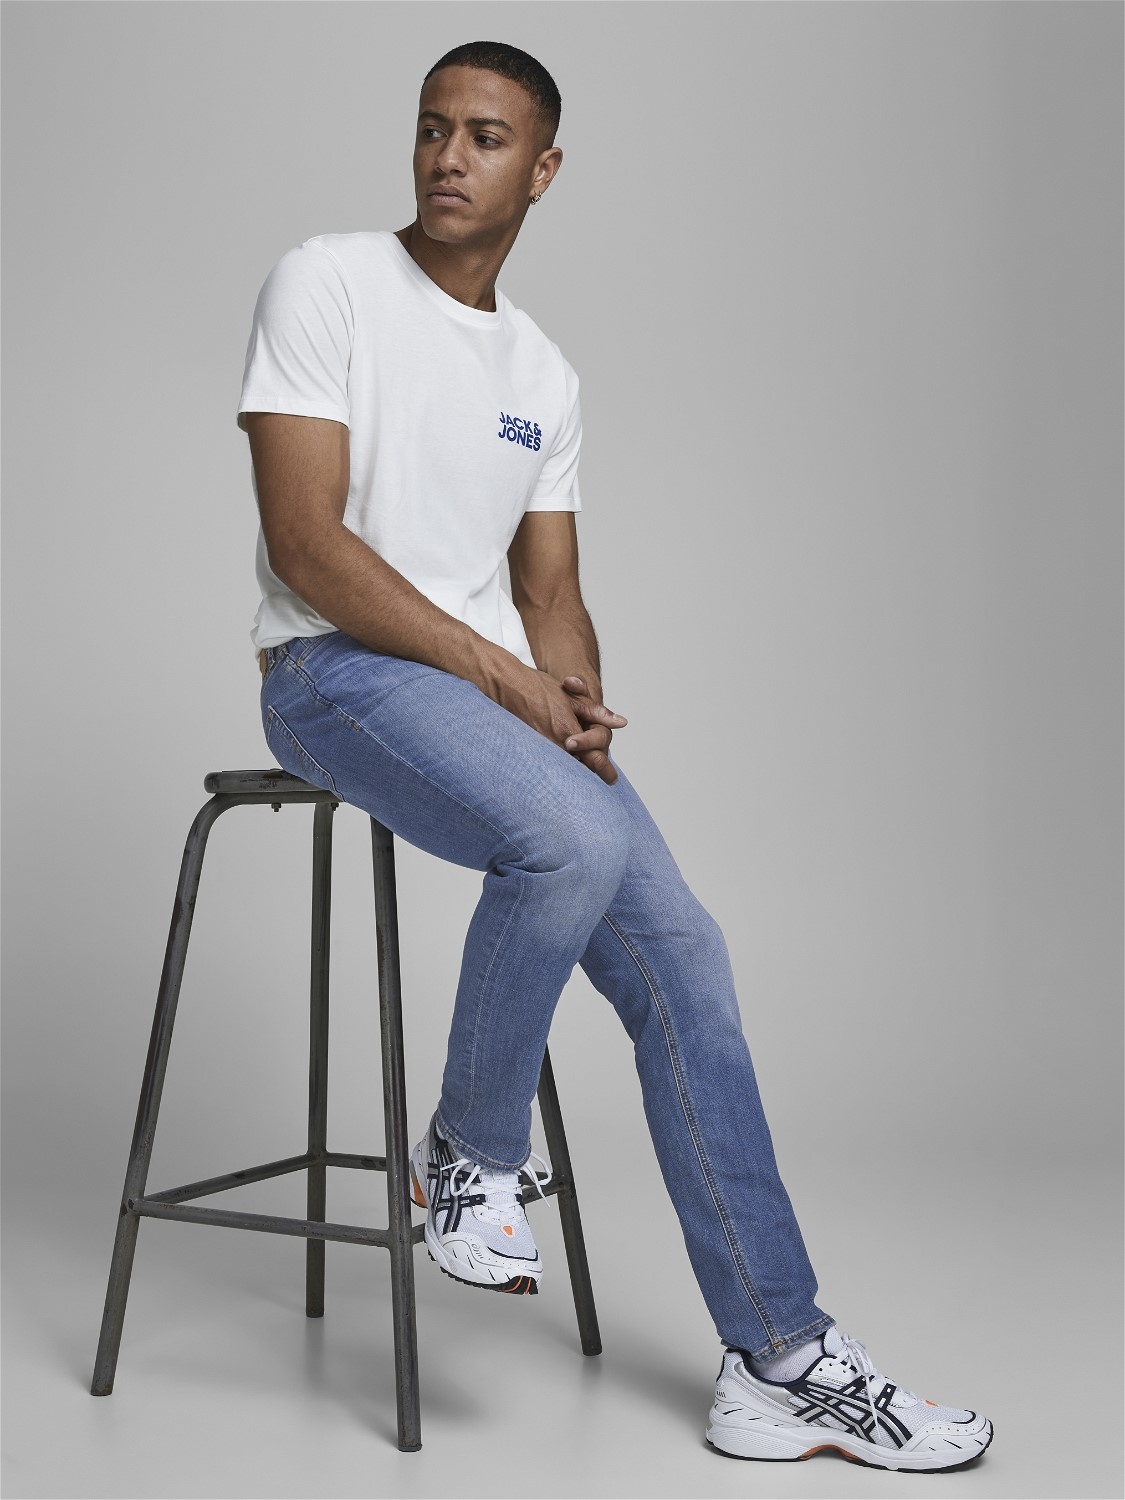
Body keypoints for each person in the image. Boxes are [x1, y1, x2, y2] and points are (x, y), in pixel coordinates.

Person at [236, 39, 993, 1473]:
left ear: (543, 170)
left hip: (480, 697)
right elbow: (307, 545)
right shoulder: (327, 281)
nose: (449, 156)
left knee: (685, 956)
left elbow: (549, 591)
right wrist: (509, 685)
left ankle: (779, 1359)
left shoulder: (542, 372)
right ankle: (469, 1154)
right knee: (571, 840)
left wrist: (574, 701)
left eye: (485, 136)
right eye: (432, 128)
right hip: (331, 673)